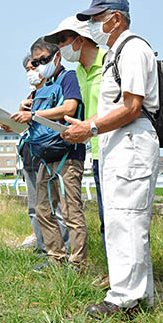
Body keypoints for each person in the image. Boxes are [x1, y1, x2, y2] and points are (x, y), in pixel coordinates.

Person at [63, 0, 159, 317]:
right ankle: (140, 295)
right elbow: (113, 107)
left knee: (126, 220)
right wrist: (84, 125)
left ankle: (123, 298)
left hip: (131, 140)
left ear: (115, 19)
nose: (91, 27)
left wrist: (89, 129)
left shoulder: (132, 49)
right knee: (121, 218)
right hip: (118, 142)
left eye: (95, 19)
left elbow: (132, 107)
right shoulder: (115, 53)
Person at [10, 39, 87, 272]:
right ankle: (56, 257)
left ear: (56, 57)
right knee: (42, 209)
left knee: (71, 211)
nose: (40, 65)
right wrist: (20, 117)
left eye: (44, 60)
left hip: (68, 155)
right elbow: (35, 121)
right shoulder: (42, 87)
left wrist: (33, 114)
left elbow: (70, 108)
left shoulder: (68, 78)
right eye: (36, 62)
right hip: (45, 156)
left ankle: (77, 263)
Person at [43, 17, 108, 257]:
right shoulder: (78, 72)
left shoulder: (110, 63)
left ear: (80, 39)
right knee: (105, 216)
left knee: (122, 217)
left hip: (120, 148)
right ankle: (115, 272)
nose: (60, 47)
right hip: (98, 150)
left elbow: (120, 107)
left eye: (62, 40)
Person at [15, 54, 69, 254]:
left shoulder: (55, 92)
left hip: (48, 155)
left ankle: (61, 249)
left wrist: (34, 114)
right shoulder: (30, 98)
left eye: (34, 66)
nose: (31, 72)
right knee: (35, 207)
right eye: (28, 69)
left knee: (54, 208)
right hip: (29, 155)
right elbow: (23, 126)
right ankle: (42, 247)